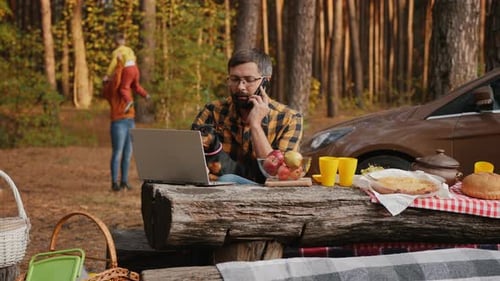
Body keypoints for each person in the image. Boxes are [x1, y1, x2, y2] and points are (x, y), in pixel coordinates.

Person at [192, 48, 303, 184]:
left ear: (265, 82)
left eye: (249, 80)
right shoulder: (212, 111)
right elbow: (188, 153)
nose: (240, 87)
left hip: (268, 192)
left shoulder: (289, 119)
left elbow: (279, 175)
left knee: (227, 178)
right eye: (234, 79)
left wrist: (255, 125)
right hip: (216, 189)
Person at [102, 36, 150, 192]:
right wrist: (119, 62)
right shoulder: (112, 89)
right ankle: (114, 183)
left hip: (130, 119)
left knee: (128, 153)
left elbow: (133, 84)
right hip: (118, 122)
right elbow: (117, 75)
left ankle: (124, 181)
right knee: (118, 152)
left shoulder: (124, 85)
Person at [104, 33, 149, 113]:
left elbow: (114, 63)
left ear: (116, 43)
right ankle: (145, 95)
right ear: (124, 42)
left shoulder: (117, 51)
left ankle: (128, 101)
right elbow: (134, 58)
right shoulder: (129, 49)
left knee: (123, 88)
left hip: (128, 69)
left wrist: (108, 75)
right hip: (135, 68)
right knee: (135, 85)